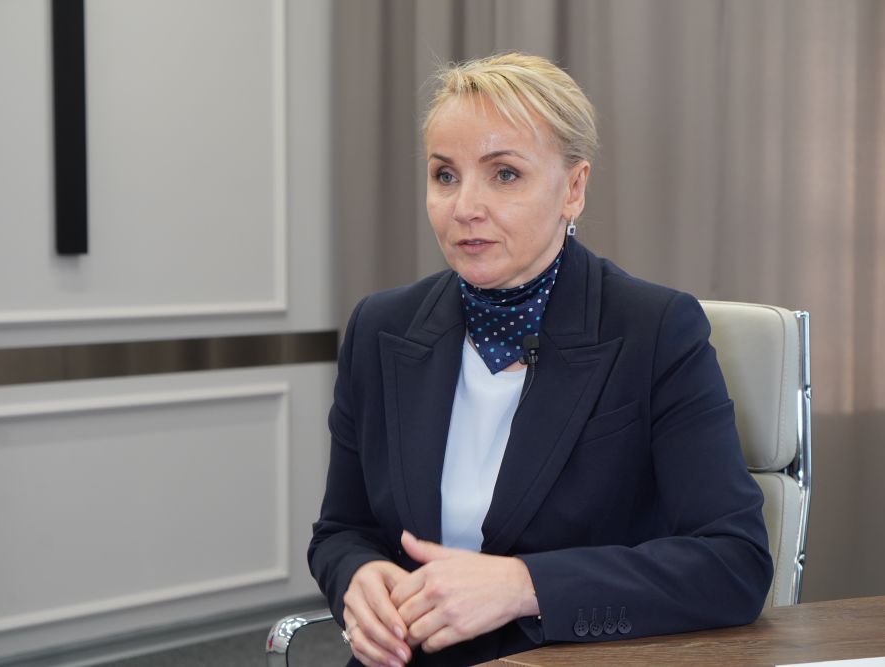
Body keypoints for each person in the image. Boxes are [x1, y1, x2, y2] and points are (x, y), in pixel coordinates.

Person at [309, 52, 772, 667]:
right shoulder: (380, 326)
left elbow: (733, 562)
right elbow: (341, 529)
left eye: (504, 174)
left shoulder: (655, 329)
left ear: (573, 189)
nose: (464, 207)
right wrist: (359, 575)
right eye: (445, 175)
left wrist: (524, 586)